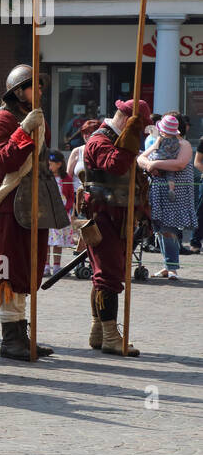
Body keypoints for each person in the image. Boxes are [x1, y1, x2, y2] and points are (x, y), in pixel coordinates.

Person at [0, 65, 53, 361]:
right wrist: (23, 132)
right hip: (9, 204)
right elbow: (3, 161)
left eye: (39, 86)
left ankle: (22, 335)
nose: (38, 91)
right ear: (17, 90)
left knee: (27, 268)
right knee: (9, 269)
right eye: (33, 86)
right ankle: (10, 340)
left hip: (32, 203)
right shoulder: (3, 119)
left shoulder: (31, 117)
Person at [77, 99, 148, 356]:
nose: (141, 133)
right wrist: (130, 137)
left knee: (104, 274)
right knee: (108, 275)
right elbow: (115, 166)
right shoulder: (100, 141)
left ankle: (99, 330)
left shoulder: (113, 139)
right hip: (103, 216)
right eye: (138, 127)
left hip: (116, 216)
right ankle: (110, 336)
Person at [138, 112, 195, 280]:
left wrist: (154, 163)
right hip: (158, 191)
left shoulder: (184, 144)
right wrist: (149, 164)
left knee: (168, 229)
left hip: (175, 193)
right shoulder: (159, 141)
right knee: (160, 229)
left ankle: (172, 267)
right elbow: (141, 157)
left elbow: (179, 164)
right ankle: (167, 265)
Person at [46, 150, 76, 277]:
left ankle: (57, 266)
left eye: (51, 164)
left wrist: (67, 208)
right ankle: (46, 266)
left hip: (61, 212)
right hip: (48, 212)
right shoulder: (45, 177)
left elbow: (70, 196)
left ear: (59, 164)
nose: (49, 166)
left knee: (58, 241)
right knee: (47, 241)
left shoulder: (66, 178)